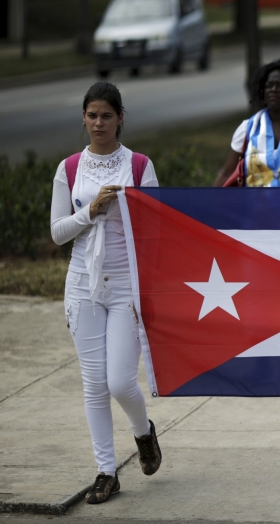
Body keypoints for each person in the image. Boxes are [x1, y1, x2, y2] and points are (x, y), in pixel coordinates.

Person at [50, 82, 163, 505]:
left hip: (126, 286)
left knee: (119, 382)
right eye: (92, 115)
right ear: (83, 118)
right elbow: (58, 232)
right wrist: (91, 210)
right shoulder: (69, 168)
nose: (99, 123)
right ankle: (106, 471)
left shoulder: (139, 166)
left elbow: (156, 231)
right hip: (83, 285)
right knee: (94, 384)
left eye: (107, 116)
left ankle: (143, 432)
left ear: (120, 119)